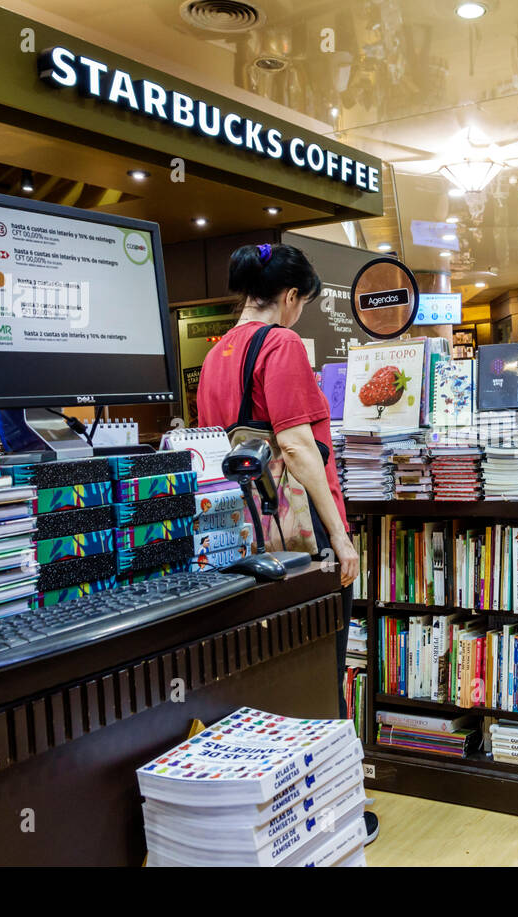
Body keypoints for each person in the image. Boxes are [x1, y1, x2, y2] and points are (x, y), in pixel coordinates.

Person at [196, 242, 377, 845]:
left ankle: (275, 820)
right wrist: (342, 538)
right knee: (322, 666)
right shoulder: (281, 345)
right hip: (296, 527)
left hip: (241, 529)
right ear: (292, 297)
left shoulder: (218, 352)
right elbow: (298, 447)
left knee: (267, 671)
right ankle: (338, 809)